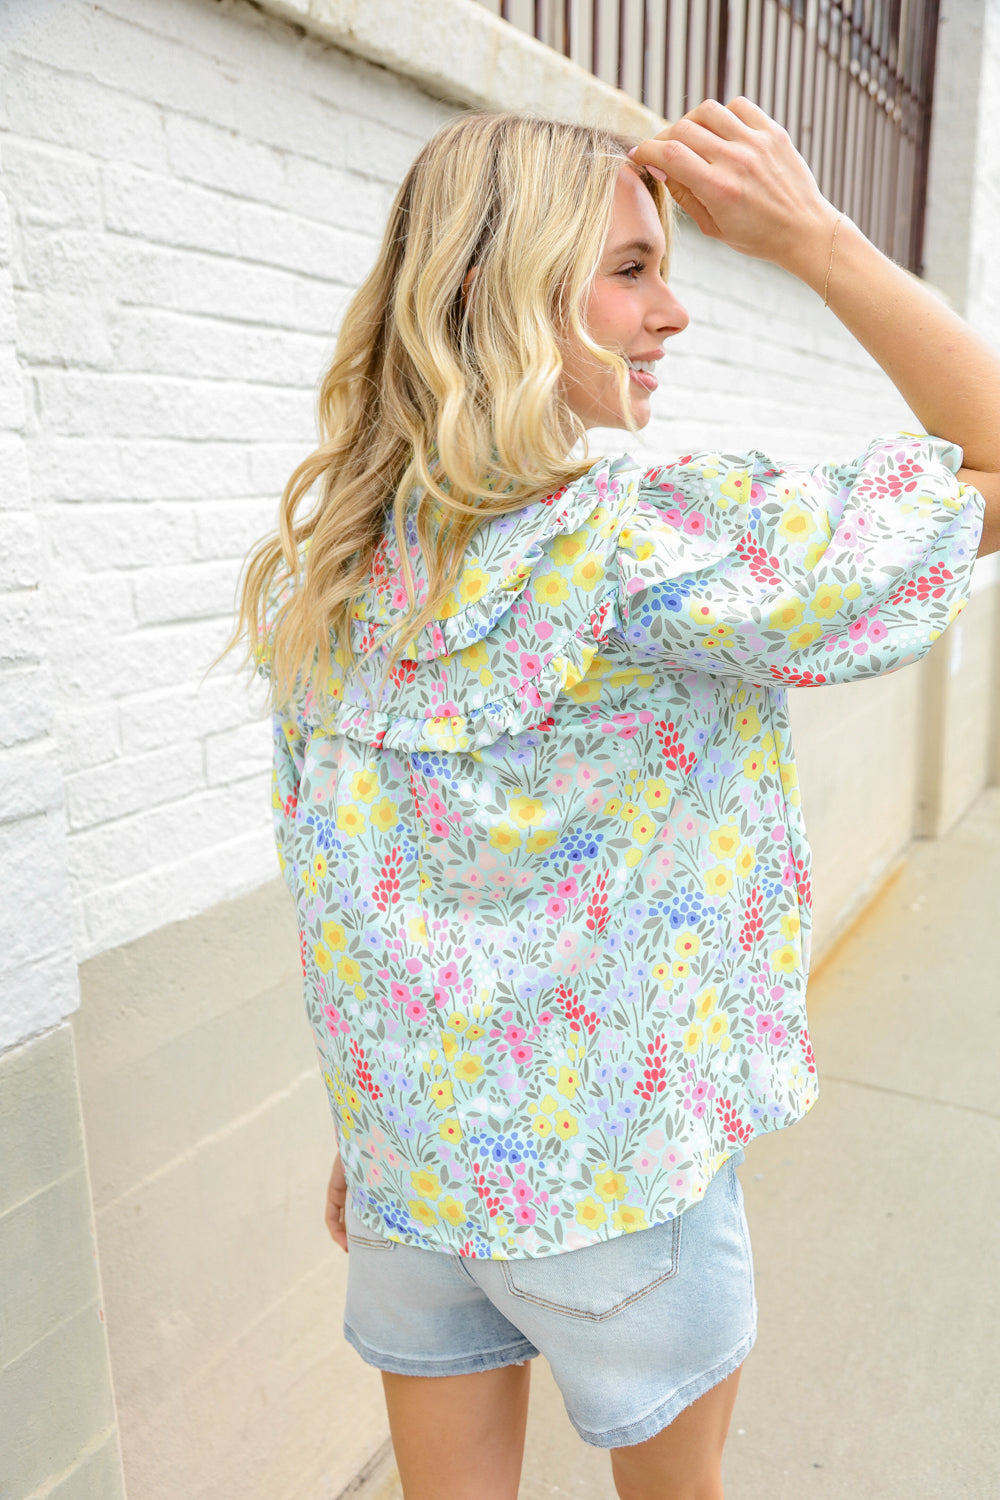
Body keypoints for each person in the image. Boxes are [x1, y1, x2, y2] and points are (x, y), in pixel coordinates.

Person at [234, 100, 1000, 1500]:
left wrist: (367, 1129)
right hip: (617, 1195)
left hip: (415, 1174)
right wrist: (817, 241)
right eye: (633, 271)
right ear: (503, 291)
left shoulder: (335, 574)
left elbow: (335, 885)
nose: (674, 313)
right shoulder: (646, 550)